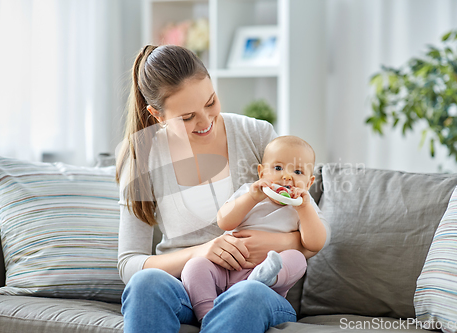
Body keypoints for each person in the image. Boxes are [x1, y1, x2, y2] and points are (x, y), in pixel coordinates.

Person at [116, 44, 321, 333]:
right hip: (186, 290)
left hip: (256, 291)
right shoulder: (141, 157)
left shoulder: (257, 135)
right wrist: (202, 252)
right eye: (186, 117)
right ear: (157, 115)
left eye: (211, 101)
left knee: (245, 296)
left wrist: (282, 243)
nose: (205, 121)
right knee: (144, 283)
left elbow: (312, 227)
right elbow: (129, 265)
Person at [181, 136, 329, 322]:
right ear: (261, 173)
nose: (287, 176)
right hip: (226, 269)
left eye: (298, 171)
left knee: (297, 259)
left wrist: (304, 208)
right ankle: (207, 315)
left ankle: (260, 280)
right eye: (277, 168)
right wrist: (252, 197)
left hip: (267, 284)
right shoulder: (249, 192)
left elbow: (315, 244)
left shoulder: (304, 206)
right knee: (194, 266)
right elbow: (224, 222)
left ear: (309, 183)